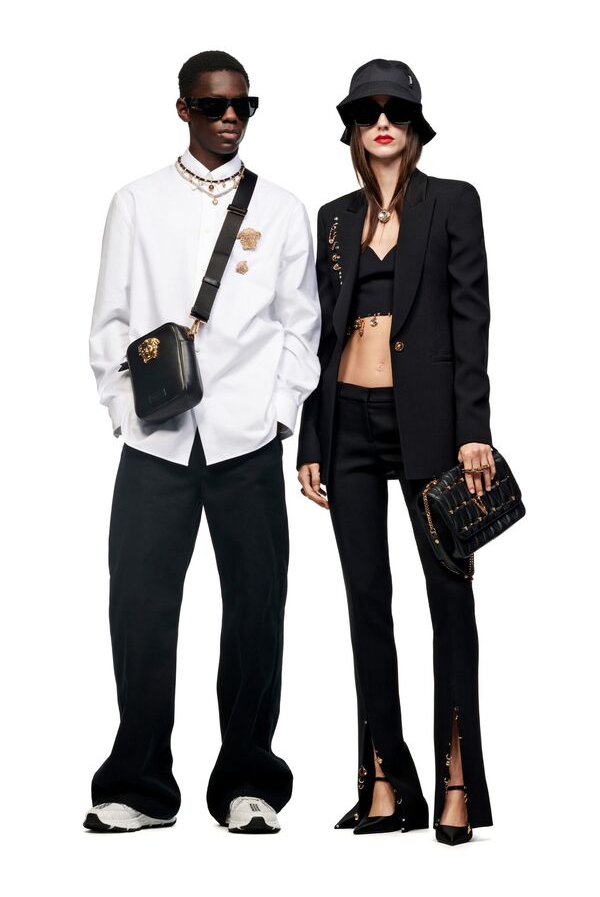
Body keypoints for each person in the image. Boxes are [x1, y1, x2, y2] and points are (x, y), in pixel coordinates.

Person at [85, 50, 321, 834]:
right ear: (183, 108)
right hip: (155, 443)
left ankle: (249, 781)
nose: (229, 117)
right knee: (139, 608)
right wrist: (126, 414)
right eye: (213, 104)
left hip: (245, 441)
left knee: (256, 609)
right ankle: (139, 785)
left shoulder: (280, 209)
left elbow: (301, 325)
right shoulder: (136, 201)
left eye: (242, 105)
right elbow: (110, 322)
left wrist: (275, 415)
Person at [296, 58, 494, 845]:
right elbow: (317, 335)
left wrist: (474, 428)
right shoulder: (334, 218)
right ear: (352, 128)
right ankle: (382, 780)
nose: (382, 122)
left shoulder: (453, 202)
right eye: (367, 111)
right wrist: (312, 435)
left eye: (396, 111)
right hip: (346, 420)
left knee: (450, 601)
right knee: (365, 602)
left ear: (414, 127)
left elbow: (472, 319)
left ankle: (456, 780)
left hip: (433, 426)